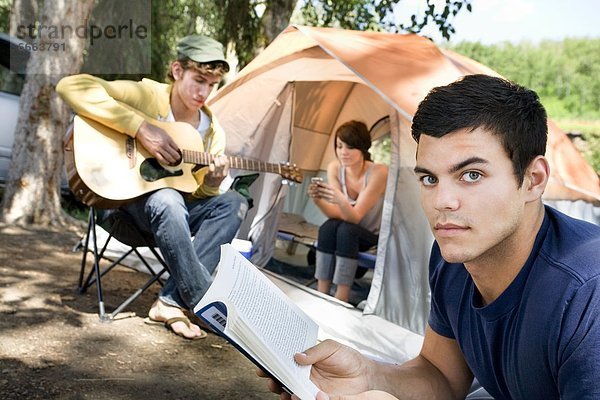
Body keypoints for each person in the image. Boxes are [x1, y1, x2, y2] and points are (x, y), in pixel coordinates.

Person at [260, 74, 600, 399]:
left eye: (471, 174)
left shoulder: (587, 294)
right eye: (429, 179)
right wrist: (366, 375)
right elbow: (440, 375)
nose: (441, 203)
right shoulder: (453, 257)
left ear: (534, 179)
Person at [57, 35, 248, 340]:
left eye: (212, 85)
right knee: (167, 198)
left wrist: (211, 183)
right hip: (123, 210)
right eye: (198, 80)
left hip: (172, 222)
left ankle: (170, 301)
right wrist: (141, 129)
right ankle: (203, 301)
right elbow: (70, 86)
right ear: (176, 71)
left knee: (233, 202)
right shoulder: (147, 95)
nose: (204, 92)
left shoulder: (213, 134)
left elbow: (194, 194)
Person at [307, 120, 388, 303]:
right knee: (329, 227)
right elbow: (337, 213)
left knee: (346, 229)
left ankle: (341, 295)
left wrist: (340, 199)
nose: (343, 152)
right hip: (347, 232)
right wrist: (317, 199)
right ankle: (322, 291)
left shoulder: (379, 172)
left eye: (350, 147)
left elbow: (356, 217)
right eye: (339, 146)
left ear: (362, 148)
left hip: (371, 237)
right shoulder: (335, 167)